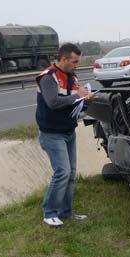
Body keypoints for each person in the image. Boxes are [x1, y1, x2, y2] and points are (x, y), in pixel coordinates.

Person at [35, 43, 93, 227]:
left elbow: (73, 102)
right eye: (74, 62)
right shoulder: (48, 77)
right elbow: (53, 102)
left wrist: (86, 99)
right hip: (52, 134)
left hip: (68, 131)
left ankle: (65, 212)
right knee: (63, 172)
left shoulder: (71, 76)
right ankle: (49, 212)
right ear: (64, 59)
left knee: (71, 174)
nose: (76, 65)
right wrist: (78, 96)